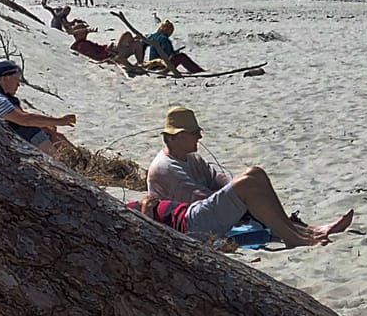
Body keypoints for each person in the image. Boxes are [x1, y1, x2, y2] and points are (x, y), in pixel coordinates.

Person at [145, 106, 352, 247]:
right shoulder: (165, 168)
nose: (200, 136)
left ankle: (301, 230)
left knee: (255, 175)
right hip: (189, 223)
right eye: (194, 133)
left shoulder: (190, 158)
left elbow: (216, 179)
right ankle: (292, 235)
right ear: (178, 136)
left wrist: (234, 190)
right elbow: (197, 198)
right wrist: (238, 198)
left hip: (199, 213)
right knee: (247, 187)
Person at [0, 61, 75, 155]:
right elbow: (25, 119)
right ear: (6, 78)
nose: (18, 84)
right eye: (17, 80)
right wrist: (60, 121)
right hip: (5, 140)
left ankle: (74, 159)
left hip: (1, 132)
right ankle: (62, 161)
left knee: (50, 131)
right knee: (33, 131)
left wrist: (48, 125)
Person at [66, 20, 145, 71]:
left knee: (137, 42)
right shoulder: (82, 45)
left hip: (110, 52)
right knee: (126, 35)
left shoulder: (84, 42)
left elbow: (99, 48)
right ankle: (135, 64)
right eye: (84, 32)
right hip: (111, 55)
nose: (86, 33)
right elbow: (97, 56)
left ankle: (141, 63)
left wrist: (107, 46)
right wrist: (108, 51)